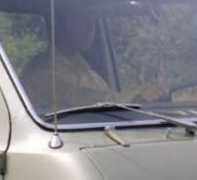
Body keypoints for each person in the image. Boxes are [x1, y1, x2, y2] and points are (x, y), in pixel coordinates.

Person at [20, 8, 167, 112]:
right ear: (58, 25)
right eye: (82, 20)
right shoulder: (40, 72)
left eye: (93, 21)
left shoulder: (89, 73)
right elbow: (87, 101)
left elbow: (109, 104)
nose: (91, 27)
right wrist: (137, 96)